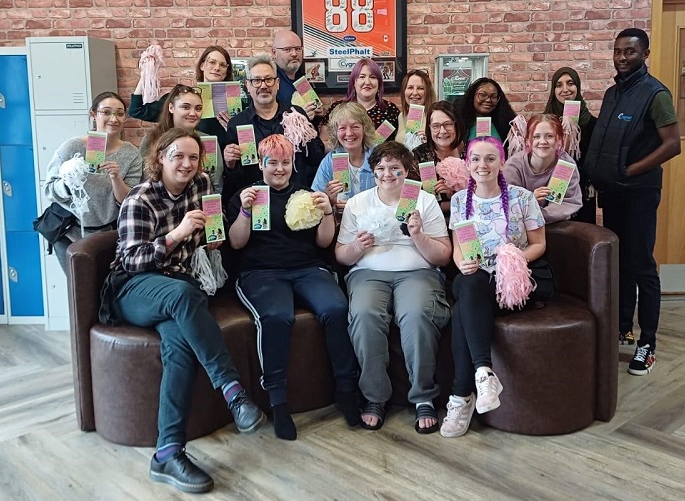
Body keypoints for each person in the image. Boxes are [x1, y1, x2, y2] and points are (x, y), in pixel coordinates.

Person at [104, 128, 264, 494]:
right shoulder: (140, 199)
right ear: (160, 157)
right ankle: (232, 390)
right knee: (181, 293)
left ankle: (168, 452)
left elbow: (210, 237)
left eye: (193, 157)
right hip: (133, 289)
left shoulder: (201, 184)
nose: (187, 164)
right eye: (178, 156)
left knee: (179, 350)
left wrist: (214, 234)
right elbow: (130, 261)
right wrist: (175, 235)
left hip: (179, 290)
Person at [227, 134, 360, 440]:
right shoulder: (246, 196)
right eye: (272, 162)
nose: (279, 169)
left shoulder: (305, 193)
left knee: (336, 308)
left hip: (307, 268)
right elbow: (236, 242)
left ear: (293, 163)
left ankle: (346, 389)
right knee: (276, 317)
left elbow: (324, 241)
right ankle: (278, 402)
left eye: (285, 162)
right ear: (261, 164)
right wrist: (245, 212)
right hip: (261, 273)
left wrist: (327, 210)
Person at [584, 28, 681, 375]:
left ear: (645, 54)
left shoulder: (656, 94)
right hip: (613, 193)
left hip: (639, 192)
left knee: (641, 264)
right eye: (618, 52)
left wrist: (630, 171)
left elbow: (672, 144)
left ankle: (648, 343)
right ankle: (623, 327)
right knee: (619, 261)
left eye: (630, 52)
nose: (623, 58)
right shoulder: (612, 94)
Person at [335, 141, 451, 434]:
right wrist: (357, 247)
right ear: (372, 173)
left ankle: (423, 396)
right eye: (381, 169)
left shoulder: (423, 201)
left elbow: (443, 255)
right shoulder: (357, 203)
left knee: (416, 315)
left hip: (417, 272)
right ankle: (374, 396)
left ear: (406, 171)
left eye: (395, 169)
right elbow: (341, 256)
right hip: (368, 272)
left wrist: (418, 235)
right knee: (364, 315)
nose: (388, 174)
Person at [441, 136, 546, 438]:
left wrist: (513, 258)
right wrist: (461, 262)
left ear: (501, 162)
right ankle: (483, 375)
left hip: (513, 282)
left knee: (464, 302)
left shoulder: (522, 197)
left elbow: (540, 244)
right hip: (477, 279)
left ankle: (461, 396)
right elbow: (458, 245)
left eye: (489, 159)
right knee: (468, 282)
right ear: (467, 163)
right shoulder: (461, 200)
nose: (482, 165)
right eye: (475, 159)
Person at [44, 91, 143, 272]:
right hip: (69, 232)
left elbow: (127, 200)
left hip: (107, 234)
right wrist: (69, 181)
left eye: (120, 113)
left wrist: (116, 178)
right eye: (106, 112)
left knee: (105, 288)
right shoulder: (72, 147)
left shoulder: (131, 154)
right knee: (81, 291)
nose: (113, 118)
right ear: (93, 115)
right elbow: (49, 190)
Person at [223, 53, 325, 207]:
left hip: (295, 201)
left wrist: (303, 135)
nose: (263, 86)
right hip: (257, 204)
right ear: (248, 85)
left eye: (268, 79)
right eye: (256, 80)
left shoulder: (296, 114)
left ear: (277, 83)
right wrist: (230, 164)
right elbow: (235, 180)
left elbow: (316, 159)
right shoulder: (237, 124)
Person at [129, 46, 235, 136]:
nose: (217, 68)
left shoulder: (236, 103)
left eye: (222, 65)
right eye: (212, 62)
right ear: (202, 66)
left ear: (227, 70)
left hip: (222, 158)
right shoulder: (182, 97)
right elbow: (136, 110)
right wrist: (147, 72)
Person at [139, 85, 224, 192]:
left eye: (198, 108)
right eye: (185, 107)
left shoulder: (209, 141)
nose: (193, 113)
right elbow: (144, 180)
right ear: (171, 108)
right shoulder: (151, 139)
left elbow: (216, 185)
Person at [503, 114, 582, 223]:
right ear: (528, 141)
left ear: (559, 140)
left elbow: (561, 206)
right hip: (520, 225)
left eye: (549, 136)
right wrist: (529, 200)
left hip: (555, 224)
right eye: (536, 136)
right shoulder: (513, 167)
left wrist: (536, 214)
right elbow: (509, 205)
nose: (543, 141)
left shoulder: (564, 165)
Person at [543, 67, 598, 223]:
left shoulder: (592, 123)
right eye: (559, 85)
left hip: (583, 189)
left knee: (582, 236)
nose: (565, 89)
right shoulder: (545, 123)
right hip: (551, 187)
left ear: (578, 87)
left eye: (570, 83)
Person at [311, 102, 379, 211]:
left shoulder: (380, 156)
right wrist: (329, 200)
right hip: (342, 223)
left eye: (355, 127)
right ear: (335, 132)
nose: (349, 133)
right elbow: (315, 202)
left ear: (364, 129)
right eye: (342, 128)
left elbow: (394, 193)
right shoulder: (329, 161)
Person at [320, 58, 401, 149]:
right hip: (345, 161)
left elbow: (400, 142)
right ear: (354, 82)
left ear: (379, 83)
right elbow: (324, 142)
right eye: (362, 77)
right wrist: (345, 147)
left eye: (372, 77)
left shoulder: (390, 109)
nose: (367, 82)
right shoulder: (337, 108)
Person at [411, 100, 467, 211]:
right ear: (429, 128)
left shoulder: (471, 152)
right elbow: (411, 202)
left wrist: (453, 196)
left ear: (456, 125)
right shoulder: (418, 155)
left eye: (448, 124)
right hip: (430, 221)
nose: (442, 131)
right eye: (436, 126)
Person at [271, 30, 325, 122]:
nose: (294, 54)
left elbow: (313, 115)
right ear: (274, 53)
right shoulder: (269, 81)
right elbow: (266, 120)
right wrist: (300, 117)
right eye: (287, 49)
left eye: (298, 49)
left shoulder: (302, 78)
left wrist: (318, 113)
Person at [456, 77, 517, 143]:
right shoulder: (459, 123)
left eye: (493, 97)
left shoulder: (507, 124)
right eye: (483, 95)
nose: (488, 100)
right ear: (472, 96)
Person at [396, 70, 435, 149]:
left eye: (420, 88)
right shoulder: (402, 116)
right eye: (410, 87)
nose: (414, 93)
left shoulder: (434, 116)